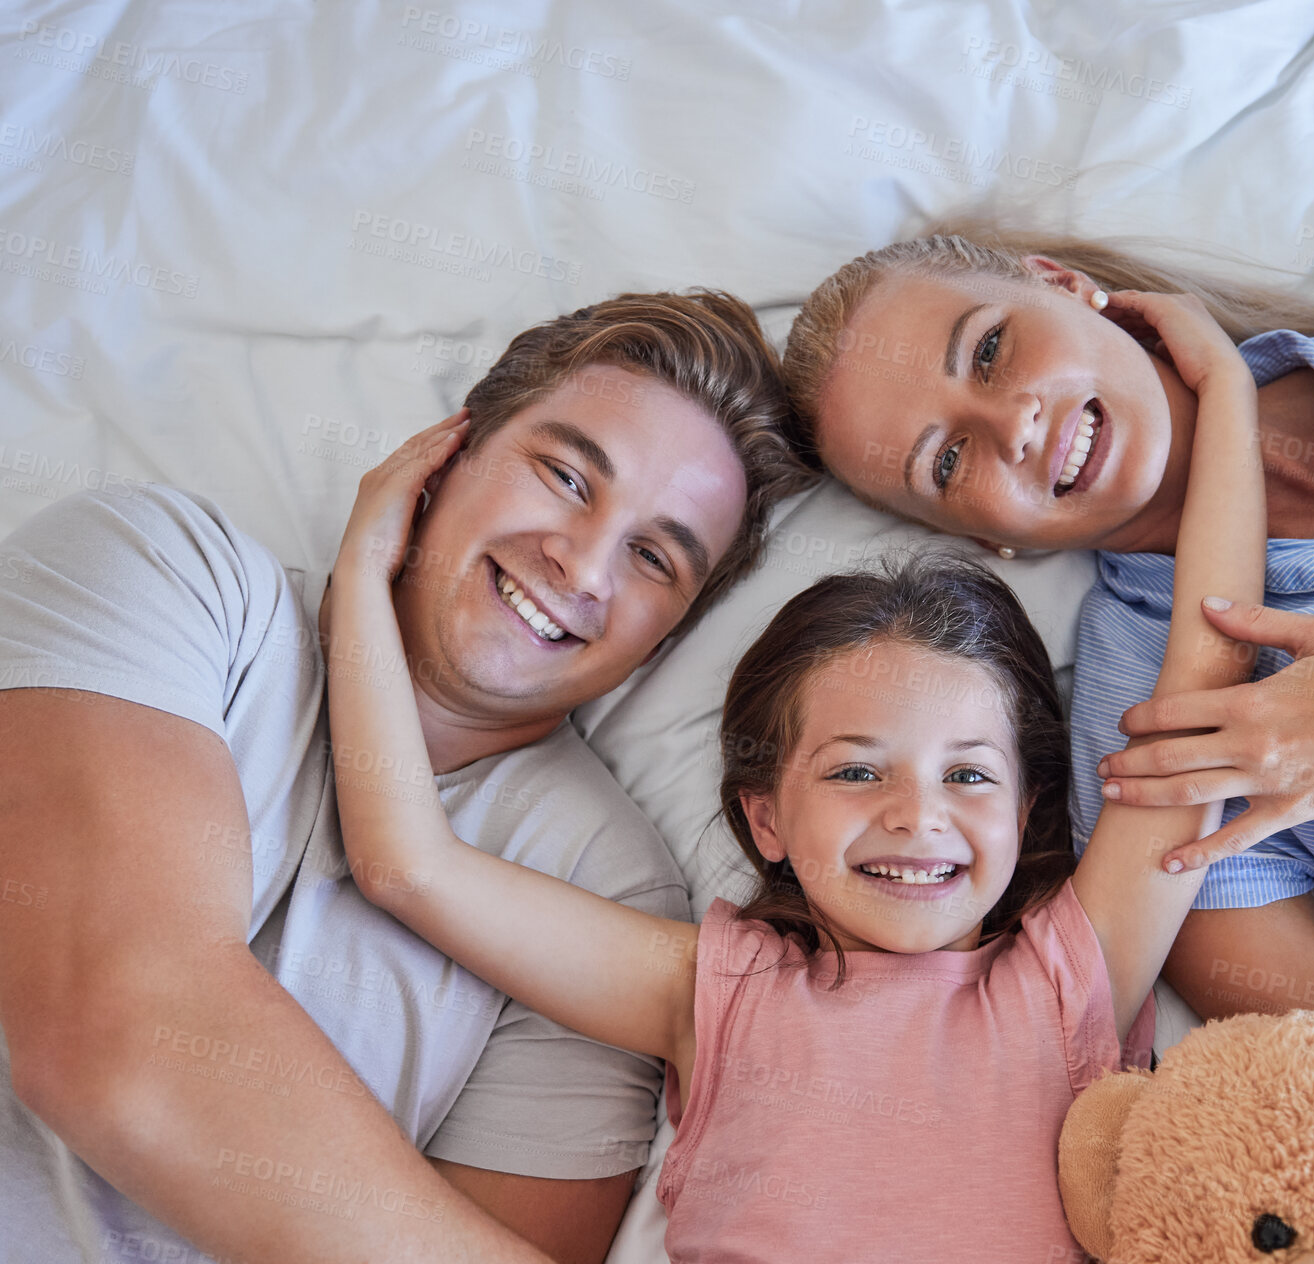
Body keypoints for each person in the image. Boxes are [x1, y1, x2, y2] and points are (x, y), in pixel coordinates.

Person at [317, 286, 1266, 1261]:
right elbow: (405, 865)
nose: (915, 815)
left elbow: (1209, 678)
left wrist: (1227, 391)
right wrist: (364, 574)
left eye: (970, 778)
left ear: (1027, 815)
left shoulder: (1078, 975)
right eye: (856, 773)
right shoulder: (712, 992)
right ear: (765, 820)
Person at [0, 291, 814, 1264]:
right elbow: (118, 1034)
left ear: (664, 637)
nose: (584, 565)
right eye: (564, 476)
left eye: (652, 557)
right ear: (445, 455)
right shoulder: (167, 574)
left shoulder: (606, 886)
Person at [778, 219, 1314, 1079]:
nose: (1011, 424)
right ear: (985, 541)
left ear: (1059, 281)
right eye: (946, 463)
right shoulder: (1143, 743)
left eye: (988, 351)